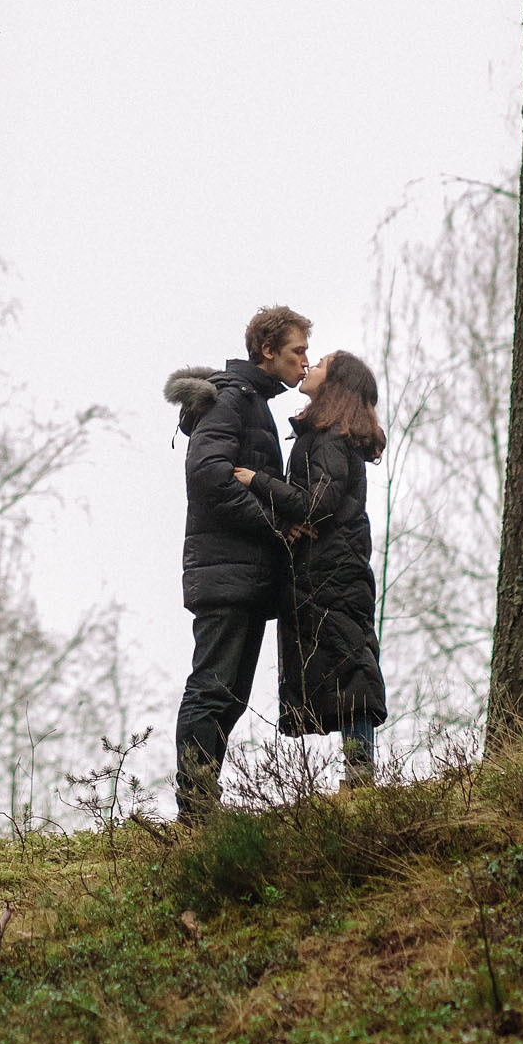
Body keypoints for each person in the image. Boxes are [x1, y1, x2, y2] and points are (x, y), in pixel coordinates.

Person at [165, 305, 309, 816]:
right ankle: (195, 807)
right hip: (226, 574)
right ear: (268, 351)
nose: (305, 362)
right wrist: (272, 525)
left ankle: (202, 804)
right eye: (297, 351)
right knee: (212, 688)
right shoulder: (233, 398)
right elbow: (208, 475)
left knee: (227, 695)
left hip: (241, 576)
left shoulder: (252, 401)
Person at [234, 351, 389, 787]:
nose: (308, 367)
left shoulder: (331, 438)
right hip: (326, 572)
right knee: (344, 668)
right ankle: (358, 777)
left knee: (354, 669)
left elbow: (317, 503)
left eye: (318, 363)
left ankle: (361, 779)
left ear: (335, 383)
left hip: (334, 575)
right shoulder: (325, 435)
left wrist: (257, 482)